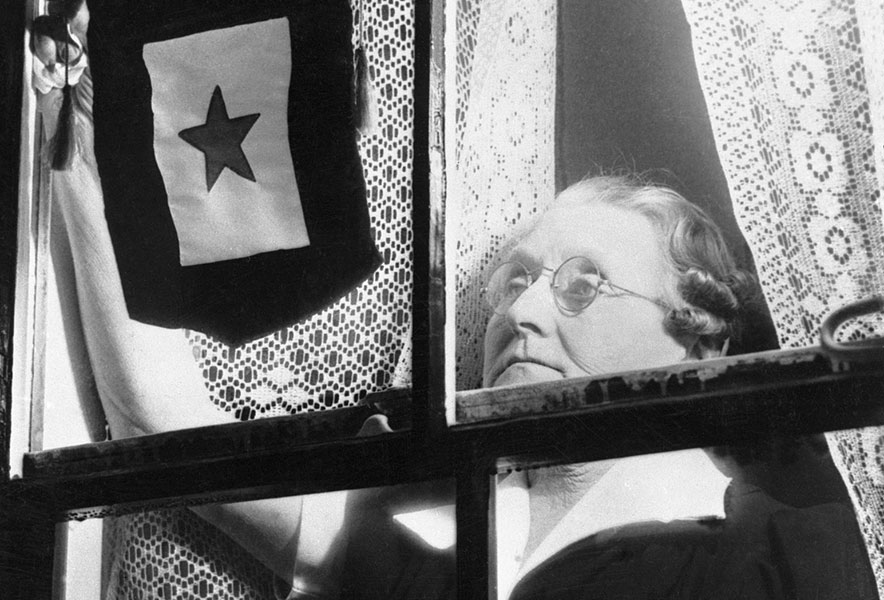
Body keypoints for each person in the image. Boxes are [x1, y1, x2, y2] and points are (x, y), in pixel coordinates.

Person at [37, 27, 874, 600]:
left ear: (698, 336)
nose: (525, 312)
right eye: (514, 282)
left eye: (584, 283)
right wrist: (78, 126)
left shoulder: (796, 556)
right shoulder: (427, 531)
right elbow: (164, 424)